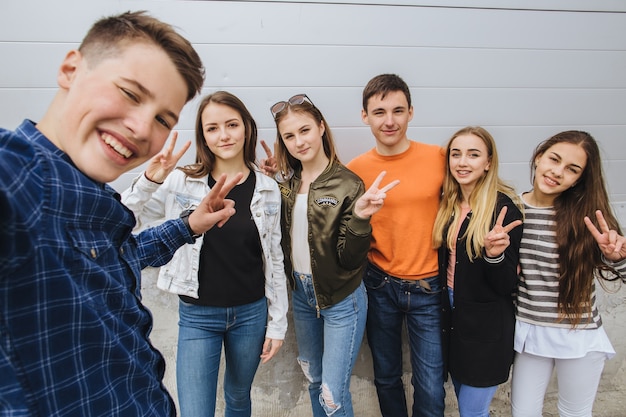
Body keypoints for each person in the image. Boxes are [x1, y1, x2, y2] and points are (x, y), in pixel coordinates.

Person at [0, 11, 242, 417]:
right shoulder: (18, 178)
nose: (142, 128)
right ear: (71, 69)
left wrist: (188, 226)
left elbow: (116, 256)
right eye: (130, 94)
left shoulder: (85, 193)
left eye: (164, 119)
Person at [122, 91, 289, 417]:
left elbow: (275, 258)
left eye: (232, 124)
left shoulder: (267, 187)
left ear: (247, 129)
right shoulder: (180, 182)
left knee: (239, 399)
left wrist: (277, 324)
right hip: (199, 317)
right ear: (203, 136)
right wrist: (148, 181)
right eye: (213, 128)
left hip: (251, 314)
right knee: (196, 410)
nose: (224, 135)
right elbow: (121, 221)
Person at [269, 93, 398, 417]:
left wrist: (361, 218)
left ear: (321, 128)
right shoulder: (288, 185)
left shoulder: (347, 183)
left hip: (343, 300)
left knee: (331, 393)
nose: (299, 141)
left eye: (305, 130)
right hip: (302, 296)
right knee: (314, 382)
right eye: (289, 136)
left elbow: (351, 260)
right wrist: (272, 180)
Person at [344, 73, 447, 417]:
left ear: (411, 113)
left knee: (431, 383)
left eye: (398, 111)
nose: (389, 121)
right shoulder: (355, 170)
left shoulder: (439, 158)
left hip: (429, 286)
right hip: (379, 283)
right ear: (365, 117)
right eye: (379, 112)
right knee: (386, 377)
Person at [510, 130, 626, 417]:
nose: (557, 172)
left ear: (579, 179)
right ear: (539, 157)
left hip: (578, 334)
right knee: (523, 413)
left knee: (574, 414)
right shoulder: (510, 208)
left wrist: (616, 258)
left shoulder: (587, 217)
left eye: (572, 169)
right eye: (554, 159)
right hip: (529, 331)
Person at [432, 126, 523, 416]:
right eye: (456, 154)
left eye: (473, 155)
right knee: (464, 404)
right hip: (453, 317)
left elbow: (506, 284)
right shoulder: (449, 204)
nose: (462, 162)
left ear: (488, 163)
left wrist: (493, 255)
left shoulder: (503, 210)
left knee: (472, 412)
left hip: (485, 327)